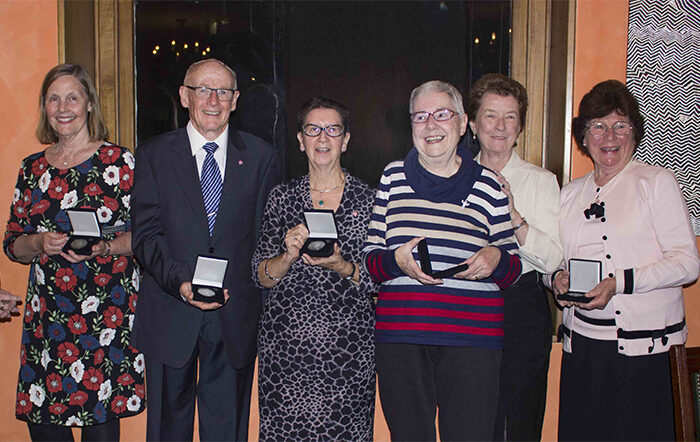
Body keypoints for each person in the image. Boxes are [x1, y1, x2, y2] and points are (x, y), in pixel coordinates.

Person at [362, 80, 522, 441]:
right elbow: (370, 260)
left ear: (463, 123)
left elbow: (513, 269)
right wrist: (397, 263)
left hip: (473, 341)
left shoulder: (489, 185)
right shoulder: (391, 178)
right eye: (420, 117)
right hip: (402, 338)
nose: (431, 125)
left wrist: (495, 258)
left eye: (442, 114)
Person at [131, 58, 280, 441]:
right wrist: (180, 283)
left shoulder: (262, 157)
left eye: (223, 92)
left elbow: (266, 238)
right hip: (170, 310)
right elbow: (145, 236)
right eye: (203, 90)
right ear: (184, 96)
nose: (213, 100)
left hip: (235, 317)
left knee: (227, 432)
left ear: (235, 101)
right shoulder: (153, 155)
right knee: (167, 431)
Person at [549, 79, 700, 441]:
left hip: (643, 354)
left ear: (635, 132)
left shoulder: (656, 182)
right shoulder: (569, 194)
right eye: (597, 126)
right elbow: (555, 258)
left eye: (620, 125)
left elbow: (687, 263)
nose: (609, 136)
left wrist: (621, 283)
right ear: (583, 137)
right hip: (582, 350)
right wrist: (556, 279)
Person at [3, 63, 143, 441]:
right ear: (45, 107)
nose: (63, 107)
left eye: (72, 97)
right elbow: (13, 242)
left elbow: (146, 236)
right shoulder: (32, 169)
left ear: (89, 105)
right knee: (44, 430)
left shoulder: (120, 162)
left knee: (101, 431)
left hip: (103, 323)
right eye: (53, 98)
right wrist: (38, 242)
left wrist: (105, 246)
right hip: (46, 324)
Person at [252, 97, 377, 440]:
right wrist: (287, 257)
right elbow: (260, 275)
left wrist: (342, 265)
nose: (323, 138)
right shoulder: (281, 197)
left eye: (333, 129)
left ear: (346, 140)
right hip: (286, 358)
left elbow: (380, 280)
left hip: (348, 355)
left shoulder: (370, 201)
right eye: (313, 129)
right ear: (300, 139)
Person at [469, 73, 563, 441]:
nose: (500, 126)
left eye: (510, 117)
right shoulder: (457, 175)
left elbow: (554, 258)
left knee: (521, 421)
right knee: (475, 415)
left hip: (521, 307)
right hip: (469, 305)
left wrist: (512, 215)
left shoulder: (540, 180)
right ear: (473, 124)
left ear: (520, 127)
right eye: (490, 115)